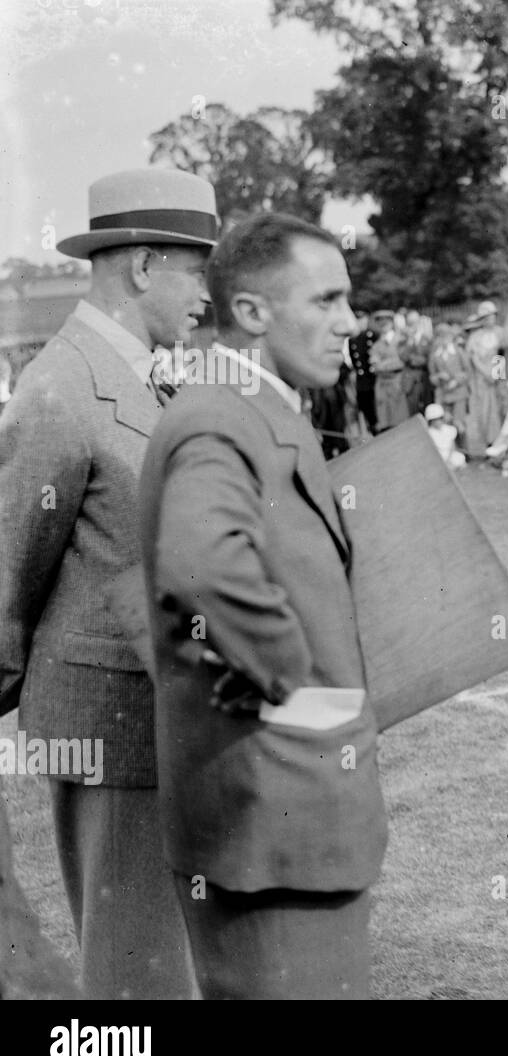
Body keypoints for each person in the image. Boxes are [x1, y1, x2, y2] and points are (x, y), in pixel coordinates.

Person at [137, 212, 387, 1000]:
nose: (350, 322)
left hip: (286, 819)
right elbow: (202, 566)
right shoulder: (223, 413)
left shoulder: (257, 405)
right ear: (250, 314)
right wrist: (302, 692)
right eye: (326, 300)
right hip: (270, 817)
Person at [0, 167, 219, 1000]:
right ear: (142, 266)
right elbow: (8, 573)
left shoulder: (151, 371)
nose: (207, 292)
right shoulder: (59, 388)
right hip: (108, 731)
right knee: (135, 971)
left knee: (171, 958)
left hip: (171, 712)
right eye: (196, 268)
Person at [464, 300, 505, 458]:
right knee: (484, 410)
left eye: (492, 316)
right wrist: (485, 373)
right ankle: (488, 443)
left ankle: (500, 443)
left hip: (497, 376)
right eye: (486, 317)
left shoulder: (500, 333)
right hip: (481, 379)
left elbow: (502, 353)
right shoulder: (475, 337)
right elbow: (473, 357)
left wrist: (495, 375)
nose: (490, 320)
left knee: (498, 407)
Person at [427, 320, 471, 447]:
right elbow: (432, 376)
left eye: (446, 336)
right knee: (446, 421)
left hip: (459, 392)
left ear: (451, 337)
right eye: (440, 337)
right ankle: (451, 449)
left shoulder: (458, 351)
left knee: (459, 422)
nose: (443, 339)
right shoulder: (435, 354)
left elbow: (467, 371)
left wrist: (456, 381)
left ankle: (464, 450)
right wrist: (438, 377)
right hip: (443, 393)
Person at [370, 309, 408, 432]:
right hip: (382, 386)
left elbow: (401, 362)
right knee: (386, 423)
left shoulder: (401, 340)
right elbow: (374, 366)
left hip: (398, 383)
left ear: (392, 323)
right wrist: (390, 362)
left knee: (401, 420)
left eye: (386, 323)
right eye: (380, 324)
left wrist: (384, 364)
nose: (383, 326)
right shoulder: (376, 345)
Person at [346, 311, 379, 434]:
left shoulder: (372, 335)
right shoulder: (353, 339)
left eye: (363, 320)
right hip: (362, 379)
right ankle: (372, 427)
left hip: (373, 378)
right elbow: (355, 360)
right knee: (365, 405)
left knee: (375, 406)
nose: (361, 323)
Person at [424, 403, 466, 469]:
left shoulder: (448, 429)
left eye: (440, 419)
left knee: (460, 457)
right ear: (431, 421)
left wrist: (448, 459)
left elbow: (452, 446)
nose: (438, 421)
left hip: (449, 454)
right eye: (435, 420)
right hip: (438, 456)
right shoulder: (429, 433)